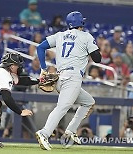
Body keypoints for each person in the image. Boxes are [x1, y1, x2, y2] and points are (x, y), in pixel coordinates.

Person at [35, 11, 101, 150]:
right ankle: (44, 133)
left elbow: (40, 47)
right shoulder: (85, 36)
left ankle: (70, 131)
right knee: (62, 107)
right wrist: (92, 48)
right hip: (72, 78)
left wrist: (43, 68)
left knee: (88, 102)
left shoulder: (60, 35)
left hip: (61, 77)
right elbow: (97, 59)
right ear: (81, 23)